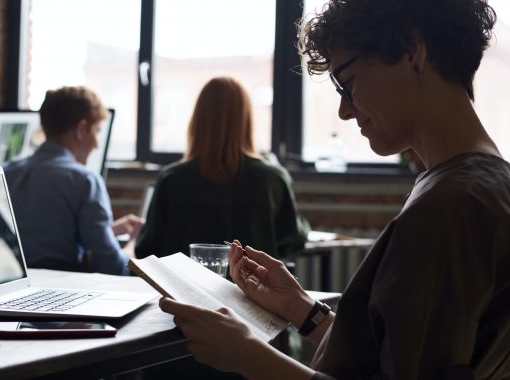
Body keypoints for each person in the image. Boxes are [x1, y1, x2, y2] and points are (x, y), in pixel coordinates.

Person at [159, 0, 510, 378]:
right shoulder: (485, 184)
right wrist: (301, 309)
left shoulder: (448, 209)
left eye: (348, 83)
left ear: (413, 52)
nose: (344, 110)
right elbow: (392, 358)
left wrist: (249, 356)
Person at [135, 76, 309, 259]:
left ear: (198, 121)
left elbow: (146, 249)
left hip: (183, 287)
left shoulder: (172, 178)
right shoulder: (273, 178)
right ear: (246, 121)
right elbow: (292, 241)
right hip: (251, 287)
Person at [4, 86, 143, 275]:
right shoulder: (85, 181)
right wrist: (131, 247)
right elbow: (111, 267)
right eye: (96, 131)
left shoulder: (7, 172)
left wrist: (108, 231)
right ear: (81, 129)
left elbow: (44, 237)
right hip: (62, 290)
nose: (96, 144)